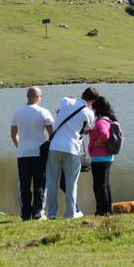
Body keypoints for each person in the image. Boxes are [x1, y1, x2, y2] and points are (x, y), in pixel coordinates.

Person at [46, 87, 97, 220]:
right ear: (92, 101)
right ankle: (70, 214)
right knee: (71, 183)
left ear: (81, 94)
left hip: (54, 146)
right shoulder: (89, 113)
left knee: (52, 181)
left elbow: (57, 111)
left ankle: (51, 214)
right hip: (72, 148)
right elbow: (87, 130)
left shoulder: (65, 100)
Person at [11, 86, 54, 220]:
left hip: (23, 153)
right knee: (40, 184)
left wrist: (20, 146)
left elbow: (13, 135)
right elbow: (52, 133)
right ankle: (38, 213)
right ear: (37, 97)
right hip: (39, 153)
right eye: (40, 96)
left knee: (24, 185)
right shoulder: (43, 112)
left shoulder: (17, 113)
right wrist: (47, 146)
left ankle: (25, 214)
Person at [89, 96, 118, 216]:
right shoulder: (108, 120)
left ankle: (102, 211)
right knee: (105, 185)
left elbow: (105, 135)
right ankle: (107, 211)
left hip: (99, 157)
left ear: (98, 109)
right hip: (107, 157)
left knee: (99, 186)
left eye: (93, 108)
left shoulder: (101, 121)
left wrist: (96, 143)